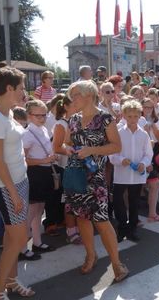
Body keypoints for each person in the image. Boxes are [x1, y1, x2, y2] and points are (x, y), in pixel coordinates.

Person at [64, 80, 128, 281]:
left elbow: (116, 146)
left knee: (101, 220)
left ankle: (117, 264)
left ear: (89, 95)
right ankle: (91, 255)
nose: (73, 99)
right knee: (82, 217)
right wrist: (68, 148)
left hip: (96, 177)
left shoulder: (105, 118)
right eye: (72, 96)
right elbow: (66, 142)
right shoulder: (73, 119)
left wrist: (91, 150)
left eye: (76, 95)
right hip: (76, 175)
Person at [0, 67, 35, 299]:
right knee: (19, 238)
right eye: (22, 88)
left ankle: (11, 281)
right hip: (5, 186)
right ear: (9, 88)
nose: (24, 92)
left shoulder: (8, 113)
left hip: (19, 180)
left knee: (13, 238)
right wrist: (13, 193)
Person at [109, 100, 152, 242]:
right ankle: (122, 227)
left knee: (134, 202)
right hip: (121, 174)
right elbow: (112, 154)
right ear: (124, 116)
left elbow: (148, 154)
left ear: (140, 116)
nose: (133, 119)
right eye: (129, 116)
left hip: (137, 175)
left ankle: (132, 229)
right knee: (118, 201)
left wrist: (143, 163)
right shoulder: (118, 133)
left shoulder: (144, 135)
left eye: (135, 116)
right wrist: (121, 160)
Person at [21, 99, 57, 259]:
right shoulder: (27, 134)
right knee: (32, 211)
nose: (42, 118)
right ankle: (22, 247)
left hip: (44, 172)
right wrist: (44, 160)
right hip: (35, 173)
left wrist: (49, 158)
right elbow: (23, 159)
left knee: (39, 210)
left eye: (44, 115)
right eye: (38, 116)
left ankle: (37, 241)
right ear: (29, 116)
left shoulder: (42, 130)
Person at [51, 94, 81, 245]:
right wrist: (73, 151)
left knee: (79, 198)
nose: (78, 106)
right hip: (67, 167)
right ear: (67, 106)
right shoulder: (61, 124)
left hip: (80, 166)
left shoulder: (79, 121)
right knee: (69, 199)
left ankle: (77, 227)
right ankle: (71, 230)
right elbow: (56, 147)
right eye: (75, 104)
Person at [140, 98, 159, 222]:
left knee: (154, 182)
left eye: (150, 107)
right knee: (139, 183)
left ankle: (151, 212)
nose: (148, 110)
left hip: (153, 150)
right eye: (145, 107)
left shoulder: (155, 119)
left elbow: (158, 137)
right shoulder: (138, 119)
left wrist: (153, 125)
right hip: (141, 154)